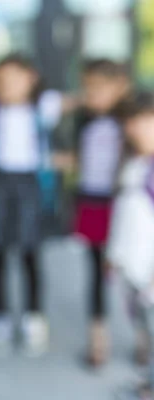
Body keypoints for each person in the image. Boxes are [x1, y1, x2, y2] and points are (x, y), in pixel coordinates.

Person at [0, 54, 66, 357]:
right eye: (1, 81)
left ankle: (33, 314)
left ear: (32, 79)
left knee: (30, 250)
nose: (8, 86)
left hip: (30, 182)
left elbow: (80, 101)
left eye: (15, 79)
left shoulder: (44, 107)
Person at [55, 59, 130, 367]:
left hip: (122, 203)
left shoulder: (130, 121)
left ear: (121, 87)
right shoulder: (82, 120)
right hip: (91, 201)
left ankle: (142, 337)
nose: (91, 94)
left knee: (132, 272)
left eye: (99, 88)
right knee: (96, 272)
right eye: (88, 88)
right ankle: (98, 340)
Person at [107, 92, 154, 399]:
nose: (134, 128)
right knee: (145, 324)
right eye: (129, 122)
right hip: (133, 261)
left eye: (141, 120)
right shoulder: (134, 161)